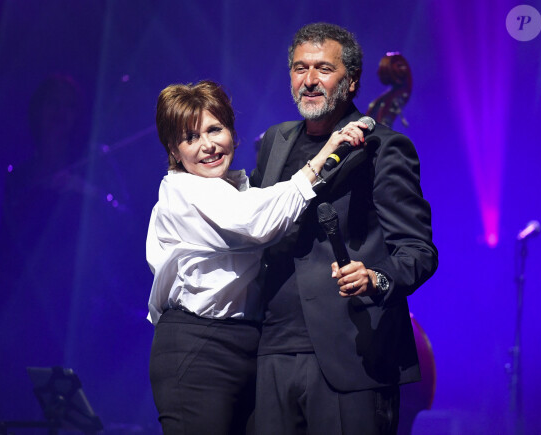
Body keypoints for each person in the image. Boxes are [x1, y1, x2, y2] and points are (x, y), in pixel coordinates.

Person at [146, 80, 370, 434]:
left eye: (214, 129)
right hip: (197, 347)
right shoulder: (181, 192)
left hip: (247, 344)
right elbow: (255, 222)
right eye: (191, 138)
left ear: (232, 132)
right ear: (174, 150)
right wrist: (325, 153)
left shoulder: (237, 188)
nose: (207, 145)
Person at [249, 23, 438, 434]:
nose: (309, 80)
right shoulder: (275, 141)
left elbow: (418, 250)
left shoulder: (384, 147)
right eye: (300, 68)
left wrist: (376, 277)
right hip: (271, 350)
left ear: (350, 82)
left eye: (323, 69)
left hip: (352, 352)